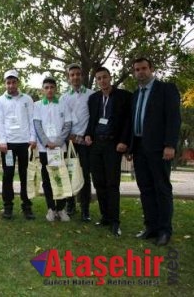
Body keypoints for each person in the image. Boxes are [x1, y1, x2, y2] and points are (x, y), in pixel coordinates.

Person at [130, 57, 181, 246]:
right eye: (137, 69)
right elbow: (133, 122)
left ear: (151, 69)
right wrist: (130, 146)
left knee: (162, 189)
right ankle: (151, 227)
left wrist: (170, 145)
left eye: (144, 68)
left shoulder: (166, 89)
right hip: (139, 148)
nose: (140, 72)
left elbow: (173, 118)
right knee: (145, 189)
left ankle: (164, 231)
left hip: (159, 148)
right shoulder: (136, 94)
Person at [84, 67, 132, 237]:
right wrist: (88, 135)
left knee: (112, 184)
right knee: (98, 182)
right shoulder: (94, 98)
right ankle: (105, 216)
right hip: (96, 145)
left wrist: (124, 141)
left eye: (104, 77)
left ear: (110, 77)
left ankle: (115, 221)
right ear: (96, 81)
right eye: (99, 78)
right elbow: (92, 120)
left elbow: (128, 122)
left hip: (113, 145)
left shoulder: (124, 97)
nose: (102, 81)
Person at [0, 69, 36, 220]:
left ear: (18, 82)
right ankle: (8, 206)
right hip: (9, 145)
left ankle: (27, 205)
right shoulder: (0, 101)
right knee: (8, 175)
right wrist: (3, 141)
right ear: (5, 84)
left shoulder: (27, 99)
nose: (11, 85)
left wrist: (32, 138)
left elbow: (32, 119)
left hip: (25, 143)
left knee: (26, 175)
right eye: (8, 82)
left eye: (13, 82)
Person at [33, 77, 72, 222]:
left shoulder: (63, 104)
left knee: (60, 177)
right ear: (43, 90)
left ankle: (61, 209)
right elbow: (37, 125)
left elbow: (67, 125)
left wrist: (58, 142)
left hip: (60, 149)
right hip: (45, 149)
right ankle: (51, 208)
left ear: (56, 89)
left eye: (52, 87)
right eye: (46, 87)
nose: (49, 90)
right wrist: (46, 142)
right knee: (47, 179)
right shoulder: (37, 105)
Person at [59, 63, 94, 221]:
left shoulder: (92, 95)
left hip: (85, 143)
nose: (75, 77)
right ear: (68, 77)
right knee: (68, 174)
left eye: (78, 74)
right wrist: (67, 136)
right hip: (68, 142)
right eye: (72, 75)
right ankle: (70, 204)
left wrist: (87, 135)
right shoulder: (63, 97)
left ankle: (85, 208)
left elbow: (93, 119)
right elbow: (61, 121)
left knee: (85, 176)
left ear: (82, 76)